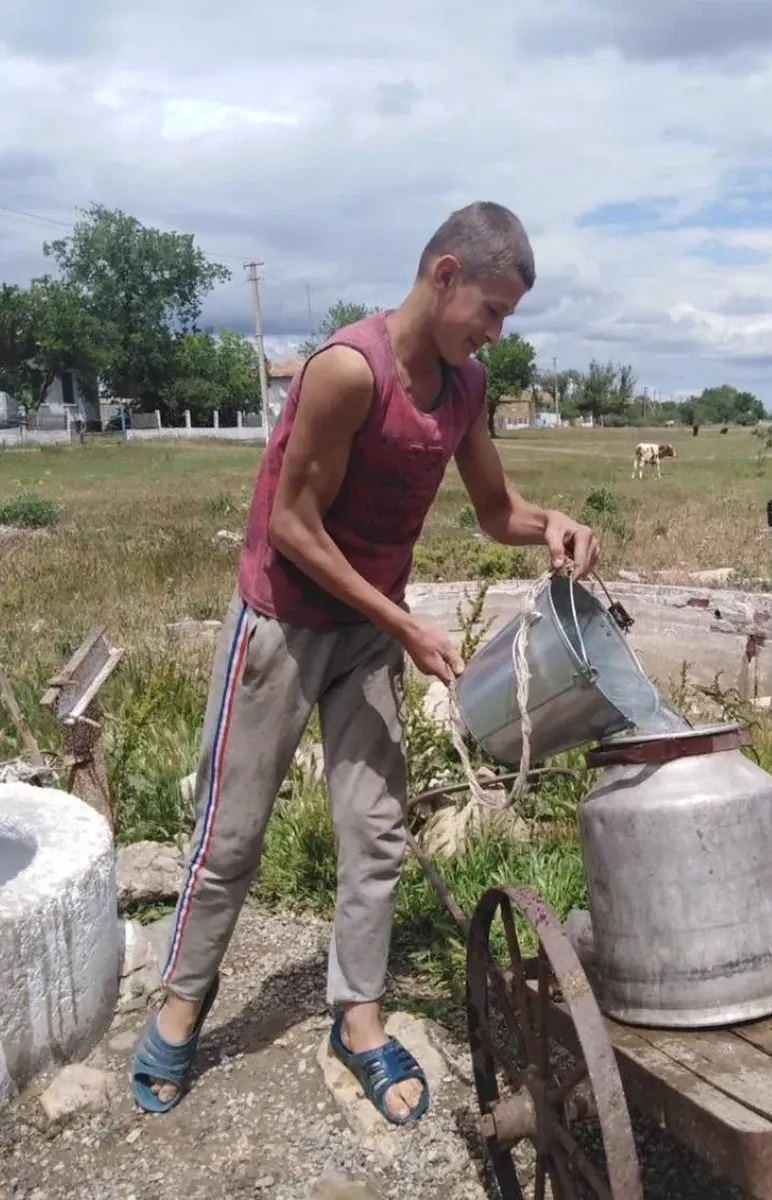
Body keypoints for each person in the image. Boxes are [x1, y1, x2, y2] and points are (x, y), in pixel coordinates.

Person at [130, 201, 600, 1123]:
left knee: (376, 833)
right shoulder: (348, 372)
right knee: (229, 838)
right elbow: (291, 529)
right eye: (491, 311)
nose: (496, 333)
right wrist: (409, 625)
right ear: (444, 274)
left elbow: (498, 510)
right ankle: (182, 1004)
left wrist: (555, 525)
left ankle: (357, 1016)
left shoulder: (462, 387)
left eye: (507, 318)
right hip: (282, 622)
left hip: (368, 632)